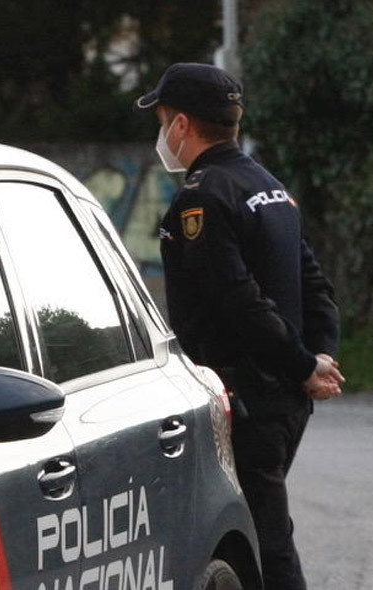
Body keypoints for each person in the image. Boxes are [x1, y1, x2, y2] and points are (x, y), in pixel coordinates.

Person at [135, 62, 344, 589]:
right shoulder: (268, 186)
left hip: (245, 399)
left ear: (181, 125)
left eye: (162, 122)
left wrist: (302, 366)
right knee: (256, 535)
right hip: (284, 397)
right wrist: (318, 361)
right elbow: (317, 288)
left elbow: (238, 300)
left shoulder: (201, 199)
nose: (162, 135)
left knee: (264, 545)